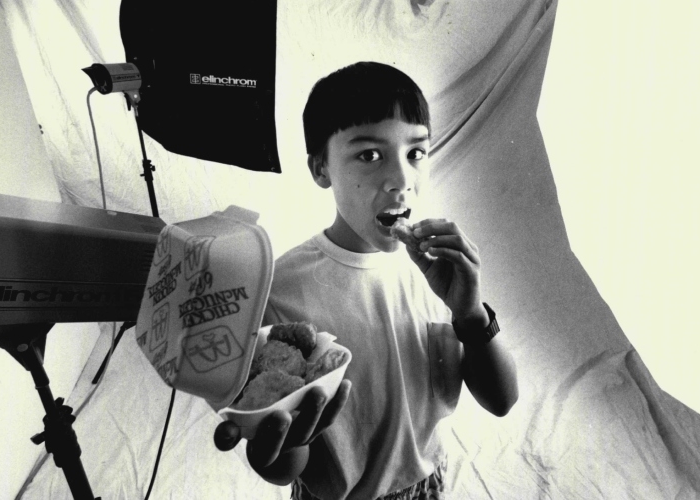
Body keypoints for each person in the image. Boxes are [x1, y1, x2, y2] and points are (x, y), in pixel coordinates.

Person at [214, 61, 518, 500]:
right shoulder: (280, 292)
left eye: (416, 153)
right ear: (321, 169)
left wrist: (470, 314)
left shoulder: (437, 272)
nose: (401, 180)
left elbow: (502, 401)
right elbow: (286, 467)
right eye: (369, 155)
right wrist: (279, 448)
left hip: (429, 486)